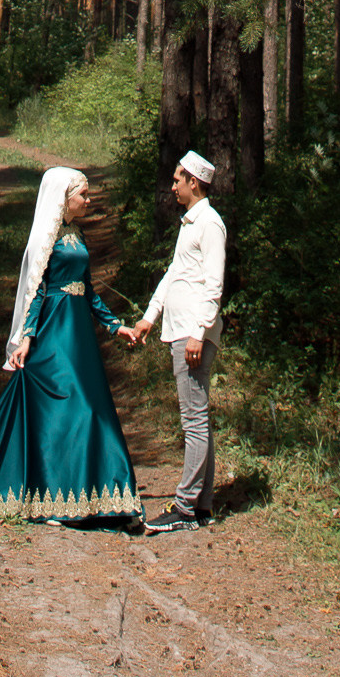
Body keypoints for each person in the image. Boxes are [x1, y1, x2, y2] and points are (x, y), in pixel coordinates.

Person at [0, 165, 144, 525]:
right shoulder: (45, 239)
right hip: (54, 332)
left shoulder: (77, 235)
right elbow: (36, 291)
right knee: (68, 409)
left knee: (92, 408)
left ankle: (91, 493)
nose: (89, 200)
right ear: (63, 198)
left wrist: (115, 327)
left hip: (79, 336)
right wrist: (26, 338)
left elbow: (88, 290)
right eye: (83, 195)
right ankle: (53, 494)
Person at [120, 148, 225, 532]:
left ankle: (184, 507)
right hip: (181, 330)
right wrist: (149, 317)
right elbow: (174, 274)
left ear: (193, 183)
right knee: (198, 420)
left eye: (177, 179)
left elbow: (214, 285)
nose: (173, 185)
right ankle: (202, 505)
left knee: (193, 420)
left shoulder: (209, 223)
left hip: (192, 334)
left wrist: (199, 333)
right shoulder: (190, 223)